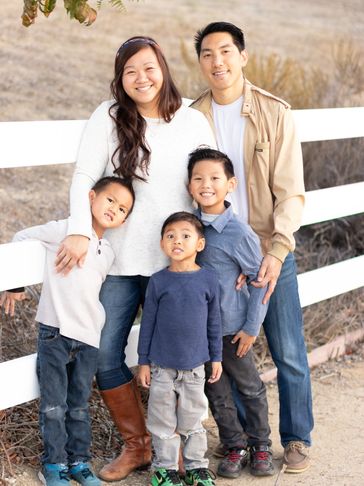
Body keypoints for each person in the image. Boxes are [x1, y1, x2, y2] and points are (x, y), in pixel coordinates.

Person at [53, 36, 216, 482]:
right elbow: (84, 175)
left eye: (148, 68)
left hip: (176, 265)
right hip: (120, 261)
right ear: (120, 80)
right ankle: (139, 445)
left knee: (181, 359)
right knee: (105, 353)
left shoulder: (192, 122)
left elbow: (209, 188)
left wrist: (215, 254)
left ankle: (178, 449)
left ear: (162, 68)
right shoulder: (108, 117)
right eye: (130, 72)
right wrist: (79, 230)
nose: (141, 78)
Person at [192, 22, 314, 473]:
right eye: (207, 53)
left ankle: (297, 438)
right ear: (200, 61)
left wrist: (277, 250)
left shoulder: (274, 112)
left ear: (242, 56)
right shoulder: (193, 117)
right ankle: (243, 442)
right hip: (217, 259)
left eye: (226, 51)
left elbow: (291, 192)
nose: (217, 61)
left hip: (268, 250)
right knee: (226, 353)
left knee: (288, 351)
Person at [0, 177, 135, 486]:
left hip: (89, 340)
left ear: (125, 219)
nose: (115, 208)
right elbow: (21, 237)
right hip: (56, 333)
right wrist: (15, 284)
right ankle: (54, 465)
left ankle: (79, 462)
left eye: (123, 208)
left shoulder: (109, 251)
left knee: (78, 405)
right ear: (90, 197)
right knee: (53, 405)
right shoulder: (66, 230)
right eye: (110, 200)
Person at [187, 147, 274, 478]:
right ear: (189, 185)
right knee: (217, 392)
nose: (206, 184)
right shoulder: (189, 227)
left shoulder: (239, 233)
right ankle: (234, 444)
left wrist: (252, 327)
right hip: (201, 332)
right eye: (198, 178)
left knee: (250, 387)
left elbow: (259, 282)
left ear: (231, 184)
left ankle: (261, 444)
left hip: (234, 328)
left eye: (214, 178)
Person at [138, 211, 221, 486]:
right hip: (161, 367)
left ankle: (197, 467)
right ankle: (165, 469)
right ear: (162, 243)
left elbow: (214, 322)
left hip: (195, 367)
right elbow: (147, 323)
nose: (177, 241)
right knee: (162, 422)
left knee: (193, 420)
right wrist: (144, 361)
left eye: (186, 236)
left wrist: (216, 358)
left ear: (199, 244)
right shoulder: (158, 281)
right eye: (170, 236)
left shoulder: (208, 280)